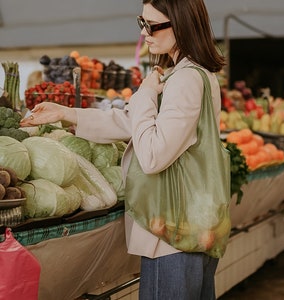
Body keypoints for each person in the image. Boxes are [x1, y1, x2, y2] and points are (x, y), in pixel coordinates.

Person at [21, 0, 225, 299]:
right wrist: (67, 113)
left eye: (152, 26)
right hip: (191, 223)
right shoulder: (195, 74)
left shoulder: (184, 80)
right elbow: (135, 123)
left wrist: (143, 96)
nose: (145, 34)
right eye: (141, 23)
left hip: (172, 232)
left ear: (181, 25)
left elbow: (154, 155)